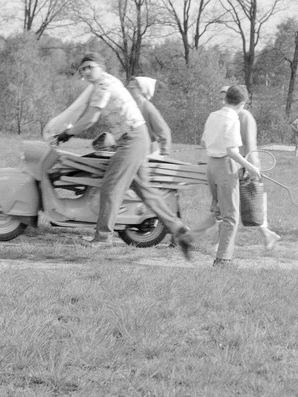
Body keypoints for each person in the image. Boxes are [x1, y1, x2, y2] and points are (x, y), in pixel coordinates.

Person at [54, 52, 195, 257]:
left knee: (111, 187)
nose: (85, 71)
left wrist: (68, 132)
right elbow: (86, 111)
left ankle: (103, 238)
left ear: (101, 67)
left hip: (132, 140)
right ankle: (179, 230)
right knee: (145, 191)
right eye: (83, 68)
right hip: (136, 139)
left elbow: (91, 117)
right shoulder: (107, 83)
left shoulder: (103, 85)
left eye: (90, 67)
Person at [194, 86, 280, 252]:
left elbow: (249, 143)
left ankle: (263, 236)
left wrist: (251, 168)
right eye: (221, 97)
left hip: (243, 166)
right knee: (227, 209)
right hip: (232, 165)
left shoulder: (243, 116)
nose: (221, 101)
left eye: (223, 97)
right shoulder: (223, 115)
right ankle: (226, 244)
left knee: (248, 209)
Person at [201, 85, 263, 268]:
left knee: (220, 212)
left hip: (210, 165)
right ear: (242, 103)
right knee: (231, 216)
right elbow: (232, 151)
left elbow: (204, 142)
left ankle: (194, 240)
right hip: (225, 166)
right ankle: (223, 260)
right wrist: (251, 166)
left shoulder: (213, 115)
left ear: (226, 98)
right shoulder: (233, 119)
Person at [125, 76, 171, 155]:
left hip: (149, 152)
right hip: (134, 150)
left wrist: (164, 151)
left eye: (132, 88)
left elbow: (164, 130)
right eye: (128, 88)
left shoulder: (148, 108)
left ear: (142, 90)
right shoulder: (131, 106)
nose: (129, 90)